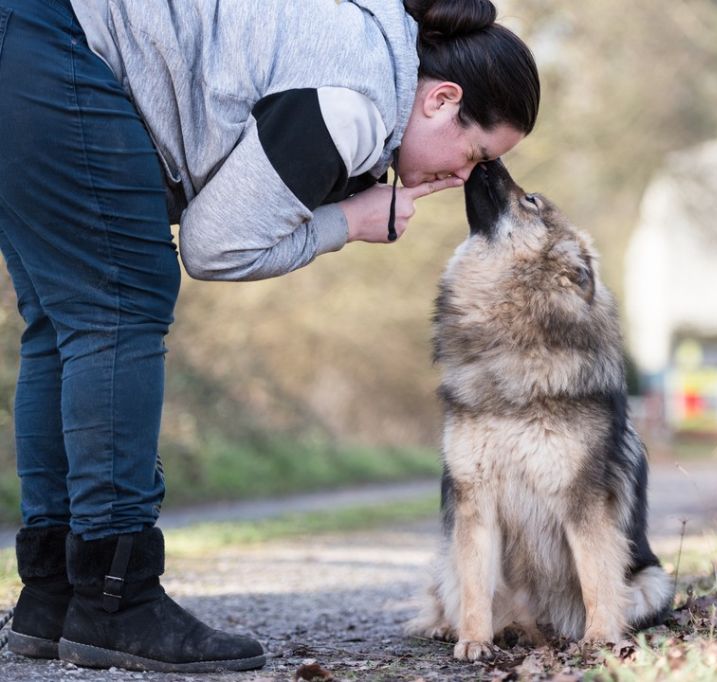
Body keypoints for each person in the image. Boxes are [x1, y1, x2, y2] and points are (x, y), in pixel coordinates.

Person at [0, 0, 539, 673]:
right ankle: (116, 599)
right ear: (441, 99)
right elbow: (215, 247)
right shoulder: (355, 104)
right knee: (120, 301)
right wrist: (348, 221)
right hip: (60, 45)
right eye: (475, 152)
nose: (462, 177)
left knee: (66, 317)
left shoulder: (367, 44)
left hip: (29, 36)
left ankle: (53, 595)